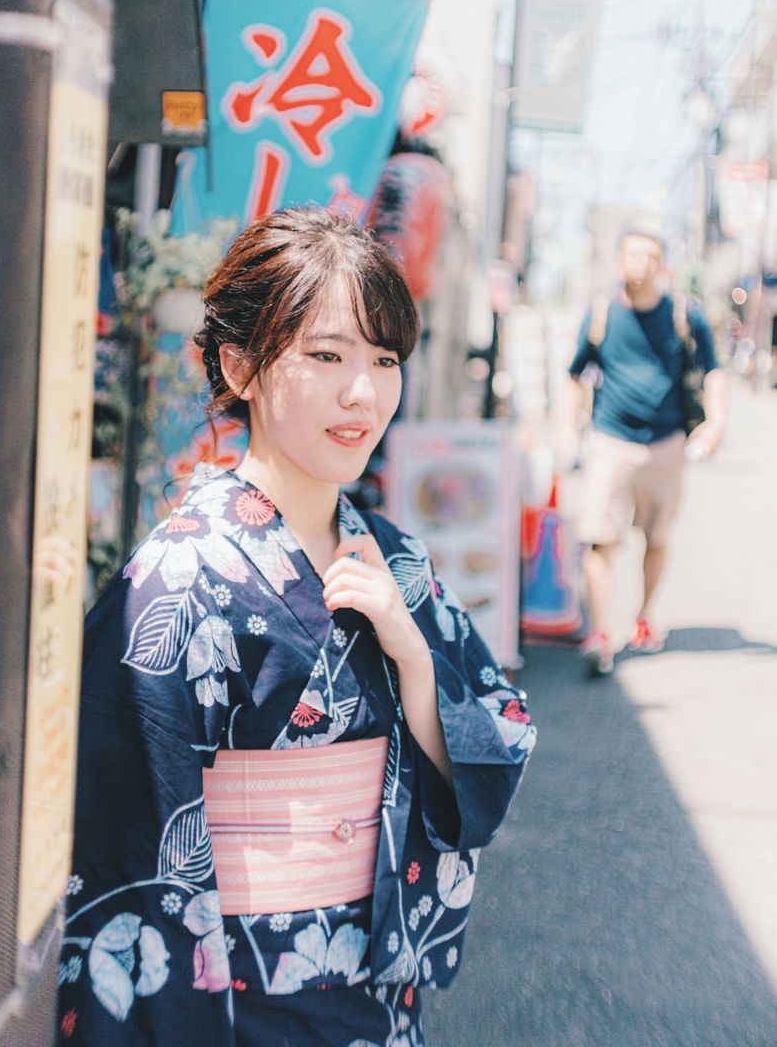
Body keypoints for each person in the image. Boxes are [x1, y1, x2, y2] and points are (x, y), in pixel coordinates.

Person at [57, 206, 536, 1047]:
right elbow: (123, 846)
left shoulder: (394, 560)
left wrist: (415, 661)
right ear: (240, 366)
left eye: (384, 359)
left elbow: (494, 745)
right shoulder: (180, 576)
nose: (364, 391)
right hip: (235, 1004)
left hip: (371, 999)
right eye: (326, 355)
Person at [561, 227, 728, 677]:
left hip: (667, 442)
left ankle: (643, 616)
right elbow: (575, 372)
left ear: (662, 265)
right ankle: (599, 631)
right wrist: (569, 426)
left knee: (656, 539)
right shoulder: (600, 313)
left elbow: (713, 370)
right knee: (602, 538)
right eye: (634, 255)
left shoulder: (683, 314)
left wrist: (715, 425)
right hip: (610, 439)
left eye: (652, 256)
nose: (643, 264)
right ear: (619, 262)